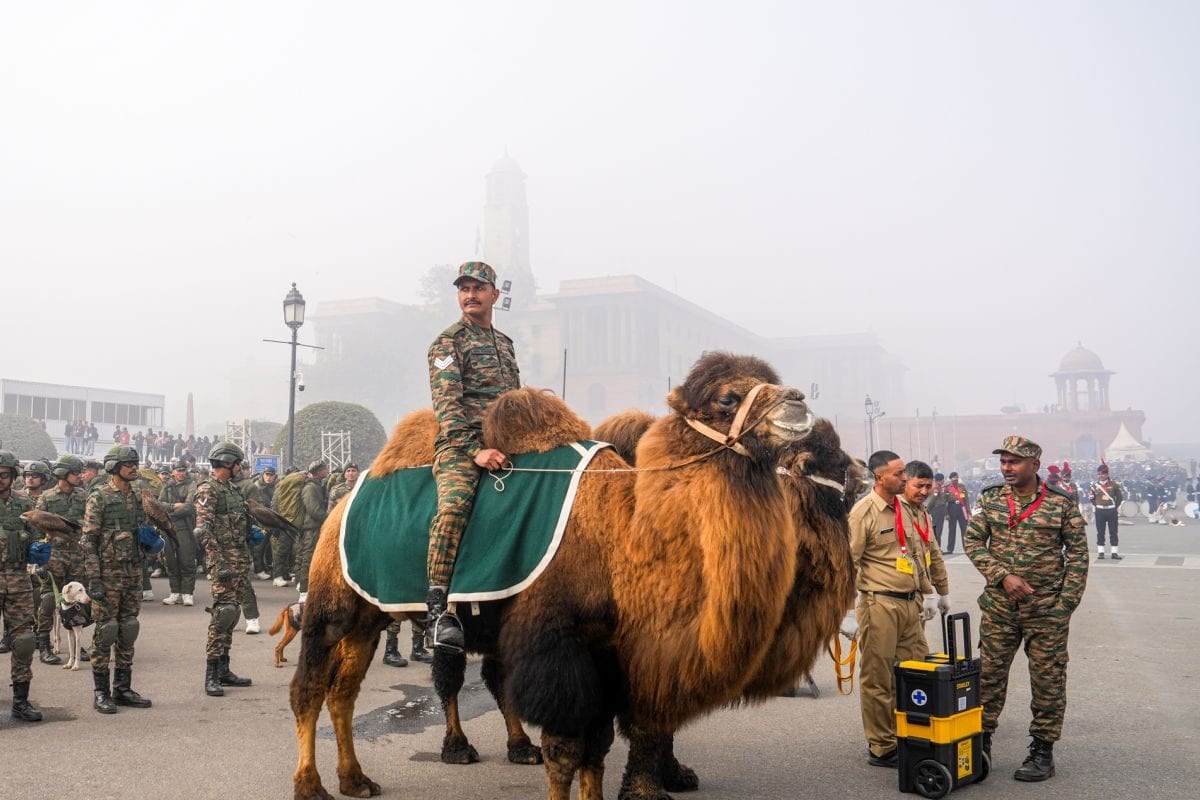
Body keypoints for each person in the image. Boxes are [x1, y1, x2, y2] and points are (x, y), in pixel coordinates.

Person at [964, 436, 1088, 782]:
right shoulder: (989, 499)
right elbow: (973, 541)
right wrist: (1003, 576)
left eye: (1014, 462)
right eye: (1003, 462)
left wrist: (1065, 605)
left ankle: (1042, 751)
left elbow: (1077, 555)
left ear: (1034, 464)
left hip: (1046, 611)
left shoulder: (1060, 504)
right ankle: (980, 742)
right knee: (987, 677)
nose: (1007, 468)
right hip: (1000, 609)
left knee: (1048, 680)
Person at [425, 261, 521, 652]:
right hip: (462, 448)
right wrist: (476, 451)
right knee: (453, 508)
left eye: (479, 288)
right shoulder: (448, 343)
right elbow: (447, 408)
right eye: (464, 288)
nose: (470, 295)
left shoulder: (504, 344)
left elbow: (515, 402)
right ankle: (439, 613)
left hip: (509, 445)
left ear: (494, 295)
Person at [847, 451, 950, 767]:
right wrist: (846, 611)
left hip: (911, 606)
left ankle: (907, 732)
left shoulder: (907, 510)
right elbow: (848, 563)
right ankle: (882, 746)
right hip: (879, 603)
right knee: (878, 678)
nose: (905, 479)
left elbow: (921, 554)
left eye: (906, 473)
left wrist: (935, 593)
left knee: (915, 672)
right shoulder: (863, 512)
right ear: (880, 477)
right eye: (900, 473)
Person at [81, 445, 156, 714]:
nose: (134, 468)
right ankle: (101, 692)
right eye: (128, 464)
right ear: (114, 466)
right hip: (107, 576)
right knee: (106, 631)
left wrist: (150, 544)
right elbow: (88, 542)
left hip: (133, 574)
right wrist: (94, 579)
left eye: (135, 463)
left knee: (128, 629)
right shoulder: (99, 498)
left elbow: (142, 532)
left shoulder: (138, 497)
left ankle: (122, 688)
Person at [193, 442, 255, 696]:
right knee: (222, 615)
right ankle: (211, 675)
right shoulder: (209, 489)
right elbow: (202, 530)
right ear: (228, 463)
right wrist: (219, 562)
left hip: (239, 559)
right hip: (225, 563)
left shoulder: (231, 489)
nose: (241, 468)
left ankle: (224, 670)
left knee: (233, 613)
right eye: (238, 463)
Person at [0, 450, 46, 721]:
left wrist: (39, 549)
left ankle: (21, 701)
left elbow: (39, 536)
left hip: (18, 580)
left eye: (4, 475)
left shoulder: (24, 503)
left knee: (25, 642)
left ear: (13, 476)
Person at [33, 454, 91, 665]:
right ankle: (44, 646)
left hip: (76, 556)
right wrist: (39, 560)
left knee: (77, 603)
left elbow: (89, 523)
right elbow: (37, 526)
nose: (79, 476)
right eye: (75, 473)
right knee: (49, 601)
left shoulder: (83, 496)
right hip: (53, 556)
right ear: (63, 474)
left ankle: (76, 646)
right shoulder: (47, 497)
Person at [159, 461, 198, 605]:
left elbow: (189, 507)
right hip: (168, 529)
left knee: (186, 560)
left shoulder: (191, 485)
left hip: (185, 528)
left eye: (183, 470)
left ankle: (187, 593)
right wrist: (173, 506)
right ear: (173, 472)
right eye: (178, 470)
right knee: (170, 561)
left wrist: (170, 513)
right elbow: (159, 504)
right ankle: (175, 592)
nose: (181, 473)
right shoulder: (167, 486)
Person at [294, 461, 329, 602]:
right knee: (307, 559)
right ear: (318, 471)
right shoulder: (310, 488)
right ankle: (304, 590)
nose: (327, 471)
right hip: (311, 529)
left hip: (312, 527)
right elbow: (314, 510)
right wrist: (329, 519)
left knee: (306, 557)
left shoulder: (316, 486)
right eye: (325, 469)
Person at [1088, 463, 1124, 560]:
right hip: (1100, 511)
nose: (1101, 475)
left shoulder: (1114, 485)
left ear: (1107, 474)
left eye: (1103, 474)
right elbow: (1091, 498)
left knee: (1113, 532)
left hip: (1111, 511)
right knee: (1100, 532)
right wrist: (1097, 506)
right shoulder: (1094, 486)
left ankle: (1114, 553)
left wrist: (1114, 507)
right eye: (1099, 474)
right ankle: (1101, 552)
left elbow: (1120, 498)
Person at [944, 471, 971, 554]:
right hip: (951, 508)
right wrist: (946, 513)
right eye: (954, 477)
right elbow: (944, 501)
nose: (956, 479)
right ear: (950, 479)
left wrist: (968, 511)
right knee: (952, 530)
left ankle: (966, 548)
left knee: (964, 529)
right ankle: (950, 549)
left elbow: (966, 499)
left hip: (961, 508)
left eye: (957, 477)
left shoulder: (962, 487)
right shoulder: (947, 487)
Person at [927, 472, 948, 549]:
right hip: (937, 511)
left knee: (939, 530)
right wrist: (928, 510)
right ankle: (937, 548)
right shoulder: (936, 488)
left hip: (940, 510)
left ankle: (938, 547)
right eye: (943, 480)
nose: (944, 481)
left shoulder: (939, 487)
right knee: (938, 530)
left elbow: (943, 501)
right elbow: (932, 500)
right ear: (939, 480)